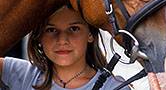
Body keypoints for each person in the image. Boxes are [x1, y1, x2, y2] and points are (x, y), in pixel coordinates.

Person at [0, 5, 131, 90]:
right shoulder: (21, 74)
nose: (62, 40)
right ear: (39, 37)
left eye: (74, 29)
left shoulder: (115, 87)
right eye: (51, 30)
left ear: (90, 34)